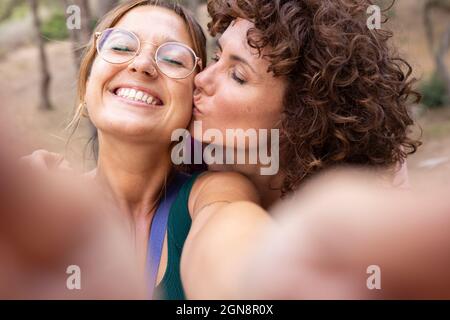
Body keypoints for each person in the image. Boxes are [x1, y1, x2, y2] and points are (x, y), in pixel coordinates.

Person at [22, 0, 423, 299]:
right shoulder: (38, 201)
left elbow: (237, 260)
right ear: (88, 75)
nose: (143, 65)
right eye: (121, 46)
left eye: (175, 58)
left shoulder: (218, 193)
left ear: (301, 118)